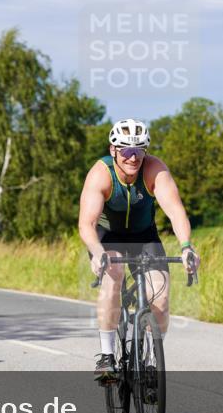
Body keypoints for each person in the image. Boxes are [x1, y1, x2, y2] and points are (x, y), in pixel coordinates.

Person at [78, 118, 199, 381]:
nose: (133, 157)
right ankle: (107, 356)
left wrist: (186, 246)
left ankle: (152, 361)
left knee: (161, 297)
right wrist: (97, 252)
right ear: (113, 150)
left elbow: (176, 211)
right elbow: (87, 224)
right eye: (126, 150)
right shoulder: (101, 173)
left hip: (144, 237)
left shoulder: (155, 169)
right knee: (113, 276)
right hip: (108, 238)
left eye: (139, 150)